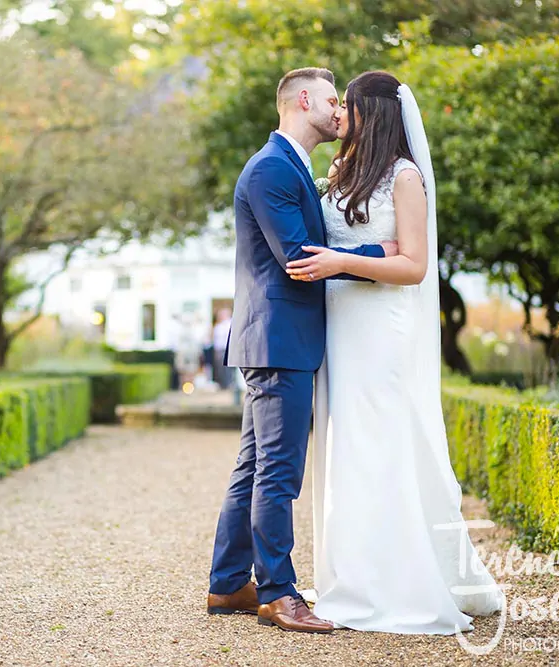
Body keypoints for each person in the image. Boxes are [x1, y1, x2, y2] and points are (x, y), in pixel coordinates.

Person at [283, 70, 502, 633]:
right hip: (343, 330)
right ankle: (351, 573)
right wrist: (344, 258)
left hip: (383, 332)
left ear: (372, 113)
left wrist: (342, 263)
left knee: (383, 446)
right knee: (347, 448)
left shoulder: (405, 177)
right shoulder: (338, 171)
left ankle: (396, 581)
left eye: (347, 107)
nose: (340, 117)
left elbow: (413, 265)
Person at [206, 67, 396, 634]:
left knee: (254, 467)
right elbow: (297, 257)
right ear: (304, 100)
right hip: (278, 341)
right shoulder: (271, 168)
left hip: (277, 339)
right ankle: (278, 594)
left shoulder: (293, 165)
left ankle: (227, 583)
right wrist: (376, 252)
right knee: (279, 473)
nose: (340, 111)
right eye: (333, 100)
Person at [211, 308, 233, 389]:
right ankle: (223, 384)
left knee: (227, 369)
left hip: (226, 349)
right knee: (220, 369)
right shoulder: (218, 325)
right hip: (218, 350)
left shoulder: (229, 324)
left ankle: (228, 383)